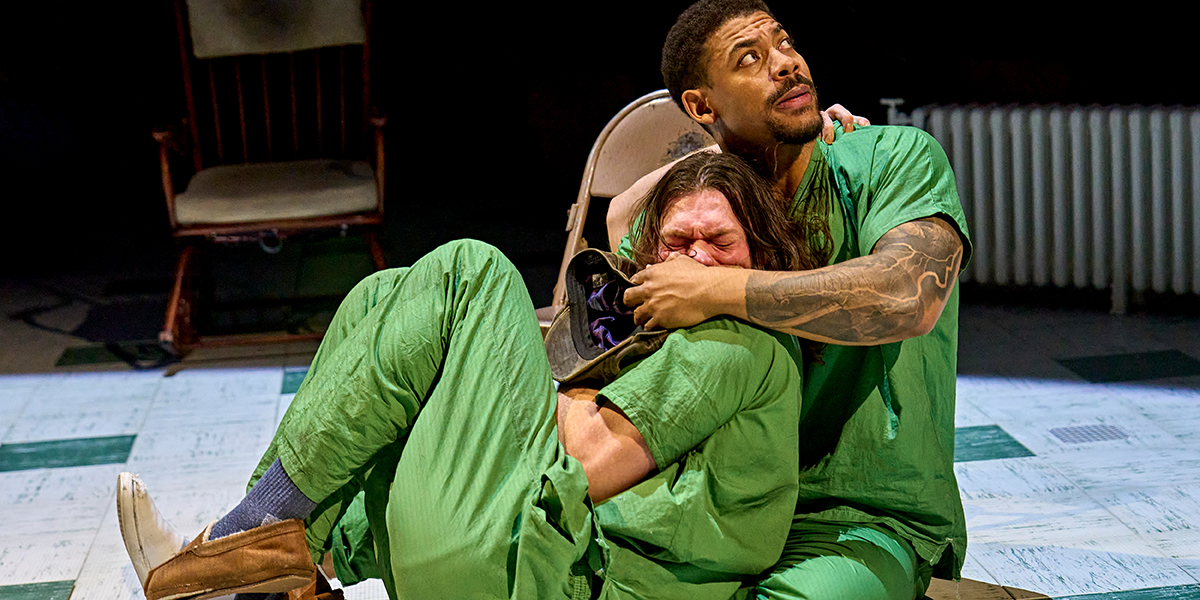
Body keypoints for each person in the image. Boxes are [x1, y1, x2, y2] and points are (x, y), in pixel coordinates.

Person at [119, 152, 829, 600]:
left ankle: (247, 537)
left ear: (761, 254)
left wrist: (494, 381)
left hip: (547, 579)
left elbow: (581, 460)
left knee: (473, 272)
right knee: (382, 297)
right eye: (678, 241)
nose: (696, 258)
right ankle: (268, 563)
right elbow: (621, 221)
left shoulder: (741, 343)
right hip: (503, 563)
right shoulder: (669, 336)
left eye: (720, 241)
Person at [606, 2, 973, 599]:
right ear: (701, 106)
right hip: (714, 505)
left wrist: (716, 289)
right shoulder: (712, 205)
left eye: (785, 43)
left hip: (857, 519)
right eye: (750, 59)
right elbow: (621, 218)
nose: (786, 64)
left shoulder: (889, 158)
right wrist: (720, 152)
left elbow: (908, 295)